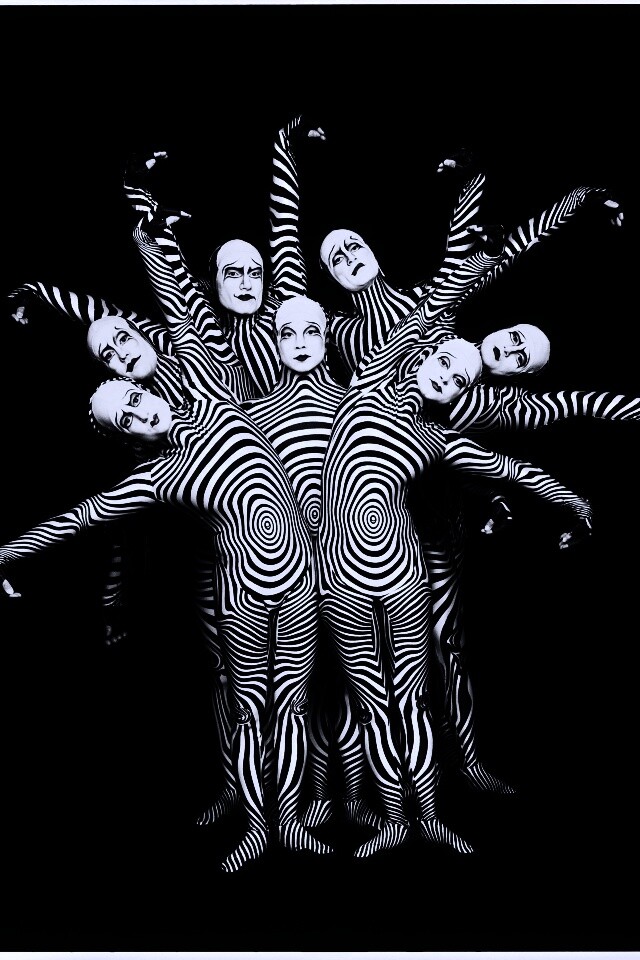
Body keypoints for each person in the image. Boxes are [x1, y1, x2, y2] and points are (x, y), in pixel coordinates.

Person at [0, 244, 333, 875]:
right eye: (125, 411)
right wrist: (21, 558)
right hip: (225, 572)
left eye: (124, 345)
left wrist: (50, 287)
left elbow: (132, 306)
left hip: (302, 561)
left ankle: (291, 813)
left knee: (294, 697)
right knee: (236, 693)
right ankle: (250, 810)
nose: (127, 366)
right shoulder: (153, 468)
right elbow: (94, 517)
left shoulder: (201, 364)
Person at [316, 242, 592, 859]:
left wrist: (572, 501)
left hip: (403, 572)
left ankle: (431, 814)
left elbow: (513, 468)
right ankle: (391, 817)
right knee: (371, 700)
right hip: (337, 576)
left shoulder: (439, 439)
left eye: (460, 380)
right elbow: (446, 286)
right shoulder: (362, 379)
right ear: (422, 354)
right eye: (443, 363)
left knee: (415, 693)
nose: (447, 377)